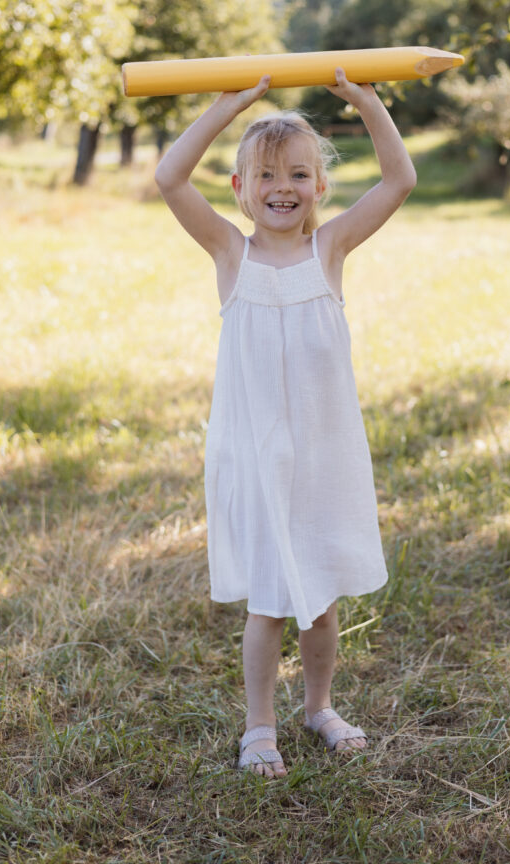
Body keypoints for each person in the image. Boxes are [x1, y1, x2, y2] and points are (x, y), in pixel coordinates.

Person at [155, 68, 416, 778]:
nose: (281, 187)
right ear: (239, 189)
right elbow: (170, 178)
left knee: (321, 605)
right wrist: (225, 106)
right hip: (257, 457)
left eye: (298, 174)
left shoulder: (327, 250)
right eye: (264, 175)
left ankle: (319, 707)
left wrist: (366, 103)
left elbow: (397, 181)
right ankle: (259, 725)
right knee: (268, 607)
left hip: (323, 458)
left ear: (318, 188)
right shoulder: (229, 253)